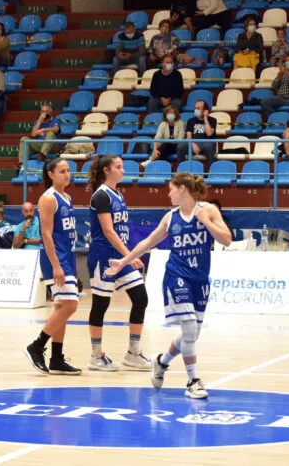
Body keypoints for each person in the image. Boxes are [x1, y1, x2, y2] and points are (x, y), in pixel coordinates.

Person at [105, 173, 232, 399]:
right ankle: (193, 380)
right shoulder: (170, 217)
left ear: (182, 189)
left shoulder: (209, 210)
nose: (169, 194)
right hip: (176, 276)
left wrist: (205, 221)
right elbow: (148, 242)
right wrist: (123, 261)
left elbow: (226, 240)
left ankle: (161, 362)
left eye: (171, 189)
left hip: (200, 279)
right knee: (190, 329)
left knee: (191, 335)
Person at [85, 155, 151, 372]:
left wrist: (126, 256)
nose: (123, 170)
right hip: (104, 257)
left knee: (141, 298)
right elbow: (108, 231)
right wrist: (130, 256)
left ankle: (133, 352)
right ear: (106, 170)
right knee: (101, 305)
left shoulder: (118, 194)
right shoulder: (101, 196)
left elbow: (121, 230)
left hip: (121, 257)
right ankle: (96, 356)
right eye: (119, 167)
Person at [23, 158, 82, 375]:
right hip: (54, 259)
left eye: (68, 171)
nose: (67, 174)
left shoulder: (67, 197)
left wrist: (72, 266)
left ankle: (56, 358)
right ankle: (37, 346)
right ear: (51, 174)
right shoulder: (48, 198)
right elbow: (46, 235)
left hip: (67, 256)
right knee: (70, 305)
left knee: (61, 308)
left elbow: (67, 236)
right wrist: (57, 265)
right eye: (62, 171)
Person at [179, 100, 217, 165]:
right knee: (180, 146)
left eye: (198, 108)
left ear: (205, 110)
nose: (196, 110)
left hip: (206, 143)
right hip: (193, 143)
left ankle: (211, 172)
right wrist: (193, 144)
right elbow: (188, 136)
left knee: (209, 146)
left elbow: (209, 133)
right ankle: (182, 171)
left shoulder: (212, 120)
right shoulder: (190, 121)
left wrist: (205, 119)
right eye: (195, 108)